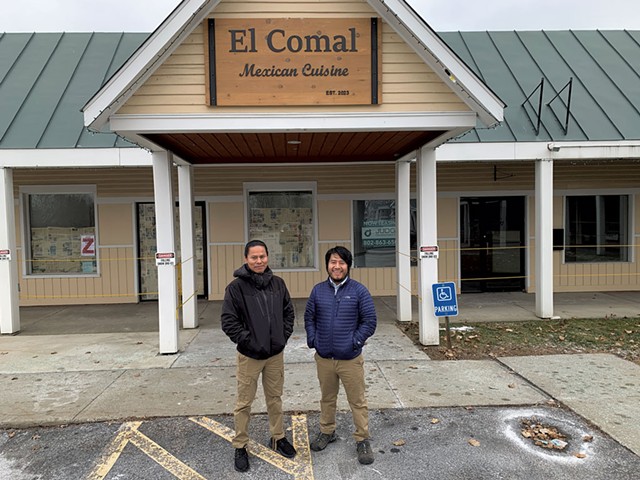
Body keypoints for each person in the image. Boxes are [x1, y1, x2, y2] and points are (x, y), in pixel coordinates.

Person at [221, 239, 297, 472]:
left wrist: (282, 338)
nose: (259, 261)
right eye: (254, 257)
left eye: (262, 256)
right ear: (246, 259)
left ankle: (277, 436)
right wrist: (249, 341)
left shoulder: (278, 284)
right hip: (250, 356)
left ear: (267, 257)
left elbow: (288, 314)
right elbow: (228, 322)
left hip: (275, 354)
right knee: (244, 403)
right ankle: (241, 444)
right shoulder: (236, 288)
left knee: (275, 399)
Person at [304, 246, 377, 465]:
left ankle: (362, 438)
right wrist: (313, 340)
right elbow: (309, 317)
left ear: (348, 266)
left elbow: (369, 322)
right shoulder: (318, 291)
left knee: (357, 401)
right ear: (327, 265)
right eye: (333, 262)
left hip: (350, 359)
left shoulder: (359, 291)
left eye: (341, 262)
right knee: (327, 398)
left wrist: (354, 342)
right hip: (325, 358)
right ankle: (327, 431)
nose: (337, 266)